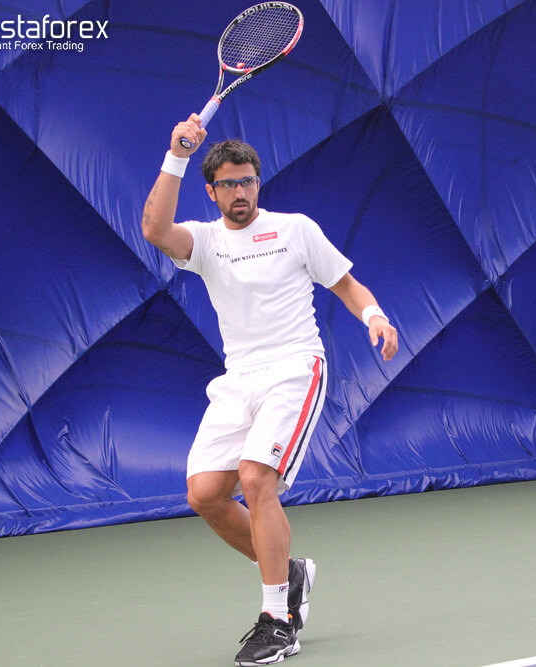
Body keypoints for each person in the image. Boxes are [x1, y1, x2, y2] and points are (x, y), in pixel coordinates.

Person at [142, 113, 398, 666]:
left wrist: (374, 316)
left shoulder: (295, 229)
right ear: (211, 192)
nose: (240, 192)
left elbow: (347, 284)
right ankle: (291, 574)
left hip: (295, 368)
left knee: (257, 479)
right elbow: (155, 231)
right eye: (229, 184)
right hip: (238, 378)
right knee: (205, 495)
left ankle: (278, 621)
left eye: (248, 181)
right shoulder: (206, 241)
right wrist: (177, 155)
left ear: (258, 183)